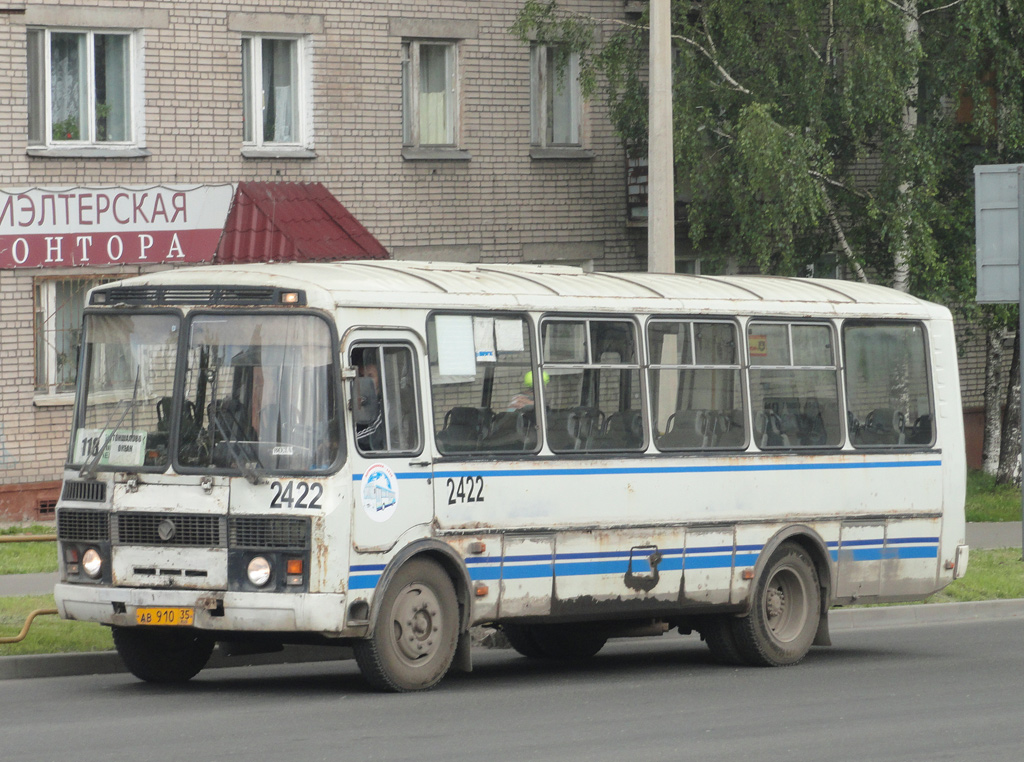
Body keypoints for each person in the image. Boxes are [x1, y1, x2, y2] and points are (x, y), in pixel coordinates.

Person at [354, 352, 386, 451]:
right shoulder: (359, 401)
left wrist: (348, 440)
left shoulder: (385, 403)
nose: (365, 380)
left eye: (370, 376)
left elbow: (374, 432)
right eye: (361, 376)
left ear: (380, 379)